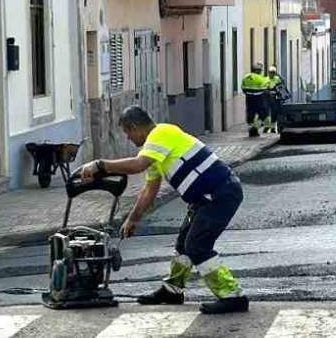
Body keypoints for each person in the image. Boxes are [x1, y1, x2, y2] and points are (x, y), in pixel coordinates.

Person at [78, 106, 249, 314]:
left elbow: (137, 165)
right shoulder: (154, 151)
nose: (128, 138)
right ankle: (172, 290)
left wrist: (100, 165)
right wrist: (133, 219)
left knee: (197, 246)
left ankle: (232, 296)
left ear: (134, 127)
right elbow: (150, 189)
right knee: (183, 245)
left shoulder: (162, 132)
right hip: (205, 198)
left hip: (220, 194)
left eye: (127, 133)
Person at [241, 63, 270, 137]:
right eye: (260, 70)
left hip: (249, 98)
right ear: (258, 70)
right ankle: (255, 128)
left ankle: (251, 130)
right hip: (259, 99)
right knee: (263, 115)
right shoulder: (261, 78)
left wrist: (249, 93)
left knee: (250, 115)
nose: (261, 71)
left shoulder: (246, 77)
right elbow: (265, 88)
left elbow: (243, 88)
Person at [265, 66, 290, 134]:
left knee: (276, 113)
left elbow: (282, 88)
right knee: (268, 113)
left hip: (277, 99)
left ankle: (275, 128)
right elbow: (264, 88)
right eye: (270, 72)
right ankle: (267, 127)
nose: (272, 74)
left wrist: (282, 94)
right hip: (268, 99)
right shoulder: (266, 79)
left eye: (273, 72)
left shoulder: (278, 79)